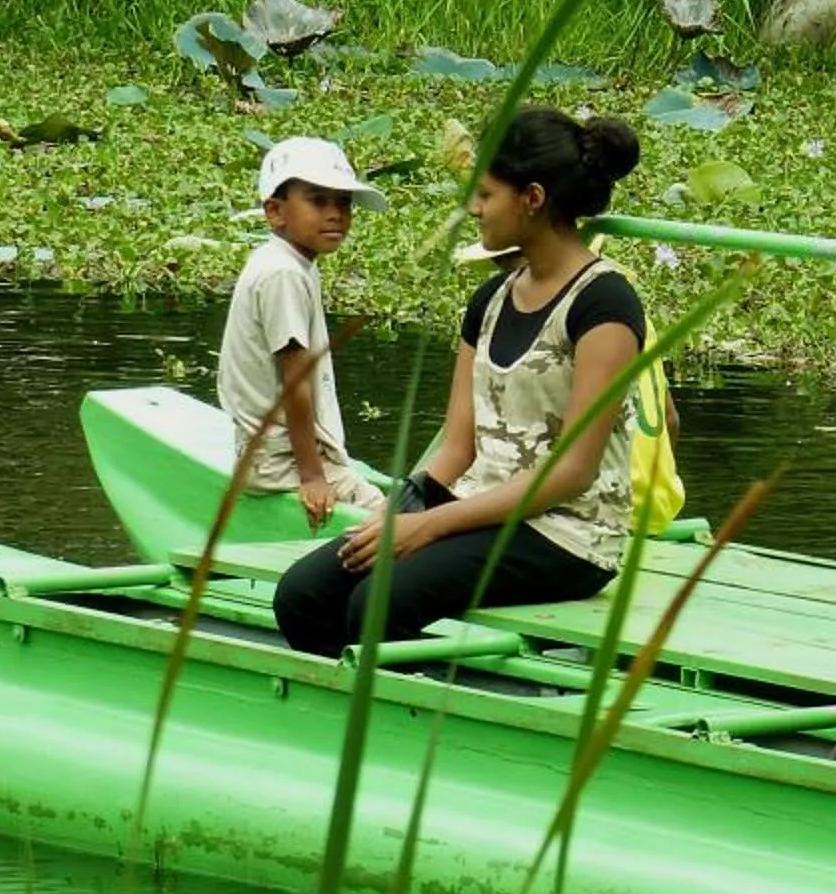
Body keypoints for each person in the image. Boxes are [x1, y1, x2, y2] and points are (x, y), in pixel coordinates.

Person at [272, 108, 647, 657]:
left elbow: (572, 472)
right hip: (480, 509)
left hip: (567, 534)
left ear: (532, 198)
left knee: (378, 603)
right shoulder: (490, 299)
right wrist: (404, 509)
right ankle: (350, 699)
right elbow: (457, 446)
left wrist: (431, 527)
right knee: (303, 595)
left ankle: (405, 698)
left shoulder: (604, 305)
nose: (473, 207)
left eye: (486, 195)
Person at [218, 136, 392, 528]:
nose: (335, 215)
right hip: (282, 464)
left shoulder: (284, 261)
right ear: (275, 211)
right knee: (394, 521)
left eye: (343, 203)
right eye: (318, 201)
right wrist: (312, 476)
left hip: (265, 454)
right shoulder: (283, 274)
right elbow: (294, 380)